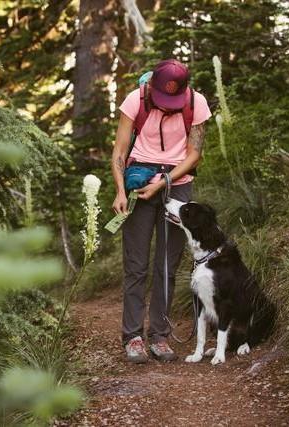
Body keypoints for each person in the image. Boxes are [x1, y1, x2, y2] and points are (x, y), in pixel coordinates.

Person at [111, 59, 211, 363]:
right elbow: (119, 150)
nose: (168, 107)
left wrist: (165, 181)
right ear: (152, 86)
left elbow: (194, 155)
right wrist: (119, 191)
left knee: (167, 264)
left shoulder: (197, 104)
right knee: (136, 263)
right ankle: (133, 337)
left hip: (178, 187)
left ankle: (159, 336)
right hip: (138, 183)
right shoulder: (135, 99)